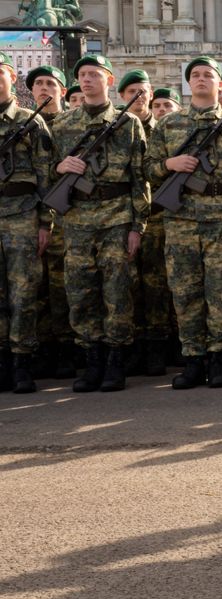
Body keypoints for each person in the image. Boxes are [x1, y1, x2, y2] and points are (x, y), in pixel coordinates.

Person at [145, 56, 222, 389]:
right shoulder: (169, 125)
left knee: (219, 292)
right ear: (188, 83)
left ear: (220, 84)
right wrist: (170, 162)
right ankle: (193, 359)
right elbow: (148, 171)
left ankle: (219, 358)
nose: (202, 79)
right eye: (196, 75)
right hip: (181, 220)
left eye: (209, 75)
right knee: (185, 292)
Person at [51, 54, 151, 393]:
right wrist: (60, 167)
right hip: (77, 220)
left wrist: (138, 226)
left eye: (95, 74)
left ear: (109, 81)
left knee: (117, 293)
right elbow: (46, 171)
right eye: (83, 74)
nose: (88, 79)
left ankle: (114, 361)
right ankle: (91, 359)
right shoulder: (62, 125)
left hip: (117, 218)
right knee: (80, 293)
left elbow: (141, 178)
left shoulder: (127, 124)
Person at [0, 53, 54, 394]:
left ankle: (21, 363)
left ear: (11, 77)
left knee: (23, 293)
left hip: (22, 214)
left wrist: (45, 222)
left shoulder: (30, 120)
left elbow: (46, 173)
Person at [25, 65, 75, 381]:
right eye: (39, 84)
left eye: (51, 83)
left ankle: (69, 353)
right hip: (29, 217)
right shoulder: (26, 125)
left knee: (64, 288)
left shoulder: (73, 125)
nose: (44, 88)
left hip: (67, 219)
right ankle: (43, 350)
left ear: (63, 90)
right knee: (36, 288)